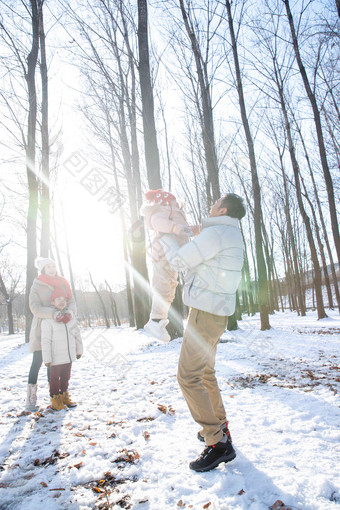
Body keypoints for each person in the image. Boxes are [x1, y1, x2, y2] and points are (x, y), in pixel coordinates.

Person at [160, 193, 246, 472]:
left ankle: (217, 443)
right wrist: (193, 234)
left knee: (187, 377)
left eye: (214, 203)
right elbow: (200, 259)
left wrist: (166, 239)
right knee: (205, 373)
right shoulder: (228, 233)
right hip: (216, 313)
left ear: (221, 209)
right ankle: (220, 428)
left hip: (205, 312)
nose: (210, 204)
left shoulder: (217, 233)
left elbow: (179, 262)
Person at [25, 257, 77, 411]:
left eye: (53, 265)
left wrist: (69, 312)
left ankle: (55, 396)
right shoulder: (37, 285)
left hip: (61, 326)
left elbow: (72, 301)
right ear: (43, 269)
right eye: (48, 266)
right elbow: (34, 307)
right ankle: (31, 397)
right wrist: (53, 313)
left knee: (54, 363)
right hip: (42, 326)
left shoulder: (63, 283)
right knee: (38, 360)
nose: (52, 268)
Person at [140, 189, 192, 342]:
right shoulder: (163, 210)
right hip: (164, 253)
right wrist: (176, 228)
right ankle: (155, 320)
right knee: (163, 286)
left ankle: (159, 321)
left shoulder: (173, 210)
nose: (177, 204)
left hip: (173, 254)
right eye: (174, 202)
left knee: (170, 287)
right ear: (166, 201)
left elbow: (183, 230)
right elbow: (158, 223)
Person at [41, 289, 83, 411]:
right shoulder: (48, 320)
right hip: (55, 357)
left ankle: (64, 395)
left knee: (66, 377)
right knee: (54, 379)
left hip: (68, 355)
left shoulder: (70, 318)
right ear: (52, 302)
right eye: (58, 299)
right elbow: (45, 341)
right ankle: (55, 398)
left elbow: (77, 334)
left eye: (64, 299)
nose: (61, 301)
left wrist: (79, 350)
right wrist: (47, 358)